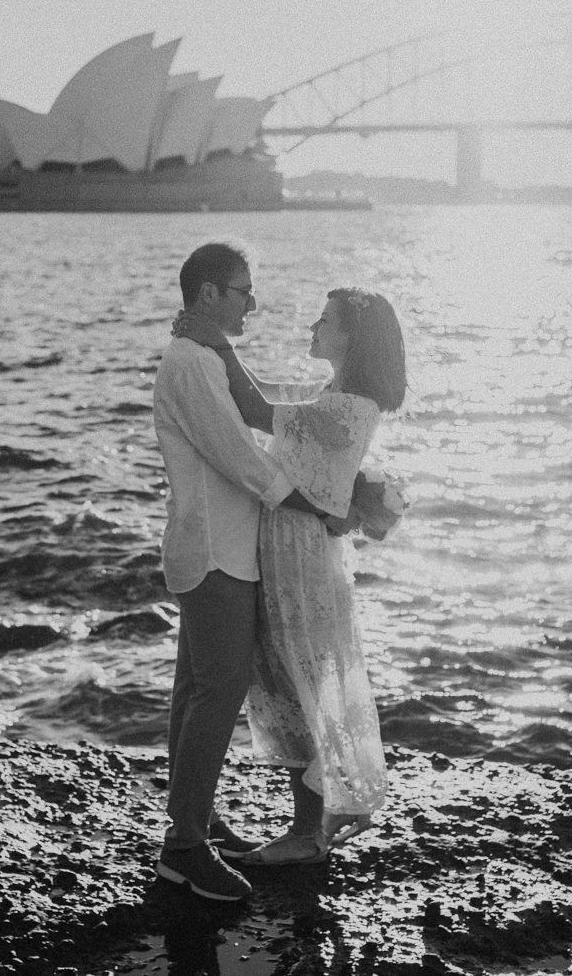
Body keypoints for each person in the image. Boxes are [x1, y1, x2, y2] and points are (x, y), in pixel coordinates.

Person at [174, 286, 406, 867]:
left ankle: (307, 835)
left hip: (302, 559)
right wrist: (223, 355)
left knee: (305, 679)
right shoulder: (335, 395)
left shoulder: (349, 406)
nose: (313, 325)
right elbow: (272, 400)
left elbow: (256, 411)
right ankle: (307, 823)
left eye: (324, 319)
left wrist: (217, 346)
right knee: (290, 676)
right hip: (288, 549)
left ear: (351, 336)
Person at [151, 241, 350, 903]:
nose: (253, 303)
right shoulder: (189, 362)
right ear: (208, 293)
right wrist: (318, 505)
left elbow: (256, 414)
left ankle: (194, 822)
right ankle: (183, 849)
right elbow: (239, 456)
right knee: (219, 689)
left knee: (194, 689)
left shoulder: (202, 354)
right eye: (242, 290)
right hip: (213, 551)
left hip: (223, 549)